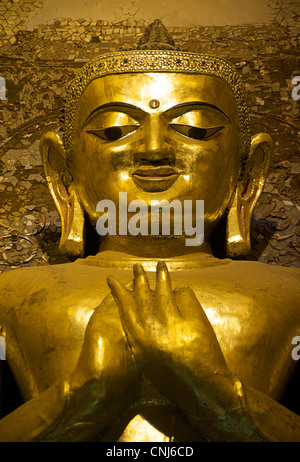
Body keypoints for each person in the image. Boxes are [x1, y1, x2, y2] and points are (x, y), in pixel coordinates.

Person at [0, 21, 299, 442]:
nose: (155, 150)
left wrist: (216, 393)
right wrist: (80, 397)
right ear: (63, 173)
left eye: (195, 129)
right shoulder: (12, 296)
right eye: (115, 131)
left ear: (248, 172)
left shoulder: (292, 293)